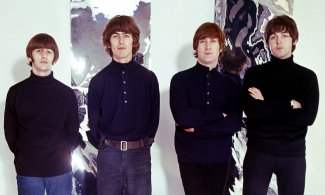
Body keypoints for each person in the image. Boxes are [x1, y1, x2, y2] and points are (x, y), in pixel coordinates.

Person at [241, 15, 319, 195]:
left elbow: (308, 117)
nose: (279, 41)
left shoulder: (307, 77)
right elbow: (252, 111)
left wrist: (265, 105)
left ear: (294, 40)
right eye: (273, 36)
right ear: (268, 42)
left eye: (285, 36)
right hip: (259, 151)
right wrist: (291, 104)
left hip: (293, 155)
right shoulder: (254, 74)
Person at [87, 15, 160, 195]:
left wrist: (142, 144)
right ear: (108, 41)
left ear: (134, 40)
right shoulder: (98, 81)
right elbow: (94, 122)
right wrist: (108, 146)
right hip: (109, 154)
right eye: (115, 35)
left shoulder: (148, 78)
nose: (121, 41)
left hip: (140, 154)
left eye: (126, 35)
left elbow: (154, 118)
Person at [4, 33, 84, 195]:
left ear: (54, 57)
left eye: (49, 52)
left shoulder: (66, 93)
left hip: (60, 171)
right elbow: (10, 132)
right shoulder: (16, 93)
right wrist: (23, 154)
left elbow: (72, 131)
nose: (44, 55)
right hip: (28, 171)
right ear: (30, 56)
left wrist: (62, 155)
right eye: (39, 51)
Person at [169, 22, 242, 195]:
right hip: (190, 157)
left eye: (213, 41)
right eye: (203, 41)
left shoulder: (231, 84)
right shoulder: (180, 80)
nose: (208, 46)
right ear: (196, 46)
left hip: (220, 157)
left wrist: (196, 129)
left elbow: (234, 123)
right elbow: (183, 117)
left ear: (221, 47)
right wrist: (219, 115)